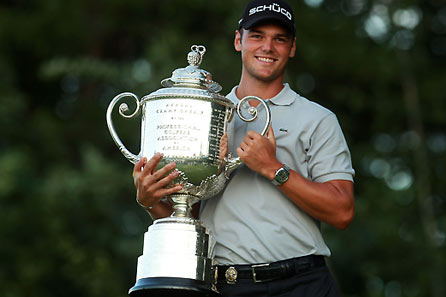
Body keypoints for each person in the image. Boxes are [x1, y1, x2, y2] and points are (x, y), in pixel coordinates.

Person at [132, 0, 355, 296]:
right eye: (258, 36)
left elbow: (342, 212)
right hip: (223, 285)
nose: (268, 47)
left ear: (292, 48)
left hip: (301, 283)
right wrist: (150, 200)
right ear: (239, 40)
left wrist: (273, 168)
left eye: (280, 39)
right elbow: (188, 216)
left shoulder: (318, 119)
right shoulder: (206, 115)